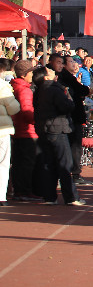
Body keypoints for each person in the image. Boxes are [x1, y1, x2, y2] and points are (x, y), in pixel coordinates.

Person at [33, 67, 83, 205]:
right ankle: (71, 197)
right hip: (57, 128)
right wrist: (69, 99)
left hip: (43, 129)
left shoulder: (38, 90)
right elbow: (66, 106)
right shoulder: (54, 89)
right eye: (49, 71)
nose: (53, 72)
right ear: (46, 77)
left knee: (49, 164)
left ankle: (49, 197)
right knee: (64, 163)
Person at [56, 54, 92, 187]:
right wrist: (85, 90)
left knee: (73, 146)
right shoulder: (65, 78)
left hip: (71, 116)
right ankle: (74, 174)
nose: (74, 64)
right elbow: (81, 90)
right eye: (71, 62)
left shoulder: (69, 77)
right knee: (74, 146)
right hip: (70, 116)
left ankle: (72, 174)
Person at [10, 60, 40, 201]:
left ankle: (19, 191)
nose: (32, 75)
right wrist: (38, 119)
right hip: (27, 131)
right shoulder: (24, 90)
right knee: (27, 163)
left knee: (19, 163)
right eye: (31, 73)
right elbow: (27, 112)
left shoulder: (14, 86)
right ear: (24, 74)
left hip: (18, 130)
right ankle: (25, 191)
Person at [0, 72, 21, 205]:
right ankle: (1, 196)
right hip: (2, 130)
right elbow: (14, 108)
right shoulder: (2, 86)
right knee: (3, 163)